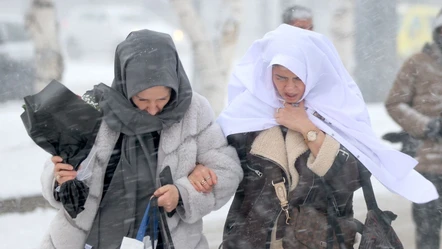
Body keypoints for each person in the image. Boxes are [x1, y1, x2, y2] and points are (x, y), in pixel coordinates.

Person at [214, 24, 438, 248]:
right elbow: (221, 162)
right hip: (252, 238)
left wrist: (307, 129)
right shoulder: (245, 114)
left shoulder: (337, 109)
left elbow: (350, 179)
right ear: (267, 72)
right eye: (281, 78)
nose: (289, 88)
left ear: (314, 73)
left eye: (298, 78)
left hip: (320, 238)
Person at [39, 29, 242, 249]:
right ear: (126, 85)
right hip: (91, 239)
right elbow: (54, 167)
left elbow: (227, 171)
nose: (153, 110)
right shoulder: (97, 107)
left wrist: (182, 194)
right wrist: (60, 179)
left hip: (165, 240)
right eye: (142, 99)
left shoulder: (194, 111)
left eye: (163, 99)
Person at [385, 9, 442, 249]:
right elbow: (395, 102)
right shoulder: (417, 63)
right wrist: (427, 125)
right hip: (428, 163)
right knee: (427, 232)